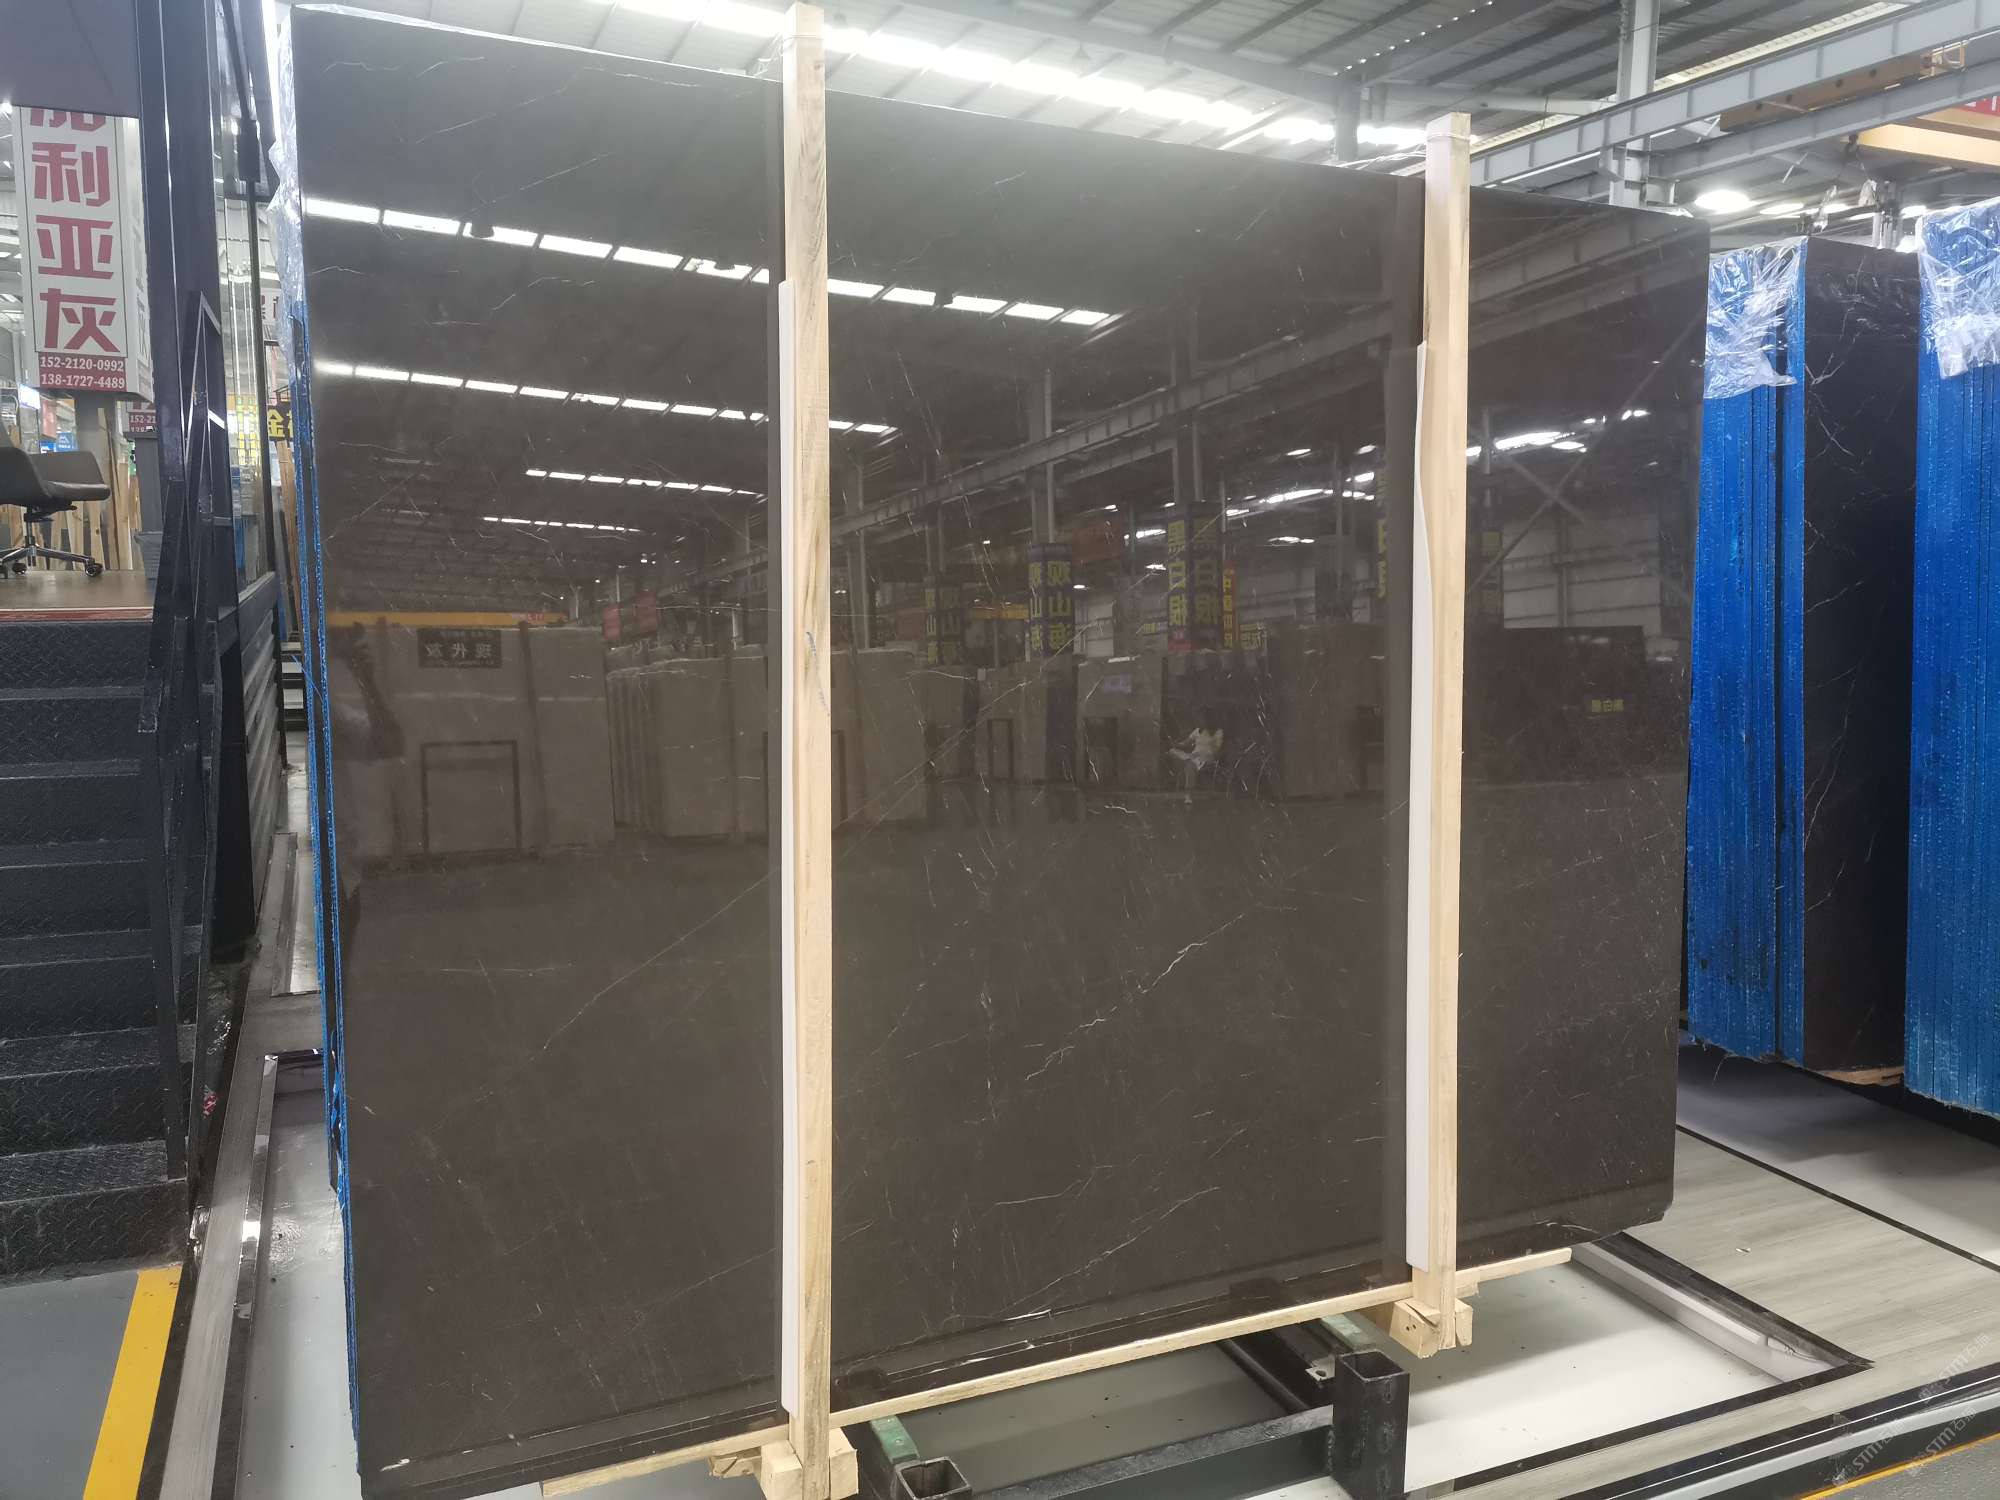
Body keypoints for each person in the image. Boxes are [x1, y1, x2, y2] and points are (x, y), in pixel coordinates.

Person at [1168, 717, 1224, 804]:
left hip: (1207, 757)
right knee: (1172, 751)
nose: (1201, 721)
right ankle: (1187, 759)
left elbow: (1217, 750)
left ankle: (1188, 795)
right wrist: (1176, 744)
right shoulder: (1197, 730)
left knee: (1189, 765)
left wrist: (1209, 739)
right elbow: (1185, 743)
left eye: (1203, 719)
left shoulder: (1218, 732)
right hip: (1194, 756)